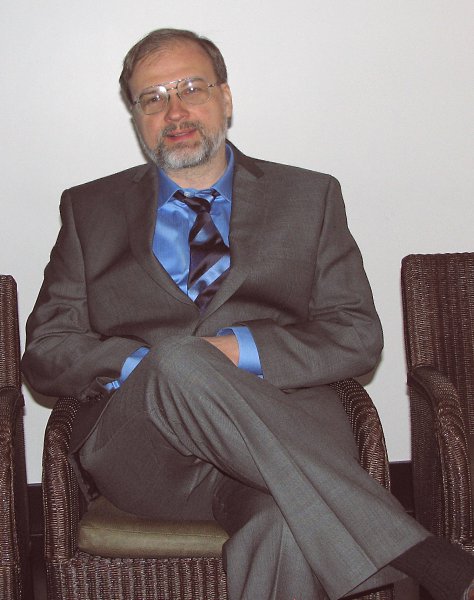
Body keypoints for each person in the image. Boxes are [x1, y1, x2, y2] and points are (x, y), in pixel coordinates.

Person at [22, 28, 474, 600]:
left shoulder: (309, 197)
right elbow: (47, 350)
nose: (174, 111)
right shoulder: (90, 208)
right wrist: (152, 366)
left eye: (191, 88)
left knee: (288, 528)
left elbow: (357, 334)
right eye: (152, 98)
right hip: (147, 454)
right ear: (136, 117)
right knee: (177, 361)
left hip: (281, 444)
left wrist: (235, 352)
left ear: (226, 98)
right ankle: (425, 557)